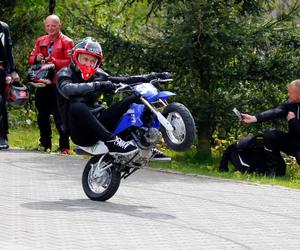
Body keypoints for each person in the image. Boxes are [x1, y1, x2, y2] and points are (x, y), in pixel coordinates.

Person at [56, 37, 171, 159]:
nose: (88, 63)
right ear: (76, 57)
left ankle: (146, 141)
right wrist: (97, 85)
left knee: (136, 98)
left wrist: (153, 76)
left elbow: (126, 80)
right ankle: (112, 141)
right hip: (81, 133)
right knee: (76, 106)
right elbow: (67, 89)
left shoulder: (99, 75)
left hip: (100, 121)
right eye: (85, 59)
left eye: (92, 61)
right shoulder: (65, 73)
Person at [28, 15, 74, 154]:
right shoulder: (41, 40)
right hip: (42, 82)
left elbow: (71, 62)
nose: (50, 28)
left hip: (58, 83)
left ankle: (64, 146)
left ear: (60, 25)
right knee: (42, 115)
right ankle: (44, 143)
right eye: (47, 25)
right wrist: (37, 58)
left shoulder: (67, 41)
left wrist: (53, 60)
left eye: (53, 25)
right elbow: (31, 58)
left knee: (60, 115)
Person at [241, 79, 300, 174]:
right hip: (293, 142)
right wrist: (253, 118)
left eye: (290, 93)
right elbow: (275, 112)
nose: (288, 95)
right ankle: (275, 170)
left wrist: (293, 121)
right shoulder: (290, 104)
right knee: (270, 135)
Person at [0, 21, 20, 149]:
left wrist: (12, 70)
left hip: (1, 70)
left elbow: (9, 50)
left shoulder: (3, 27)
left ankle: (2, 136)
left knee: (1, 103)